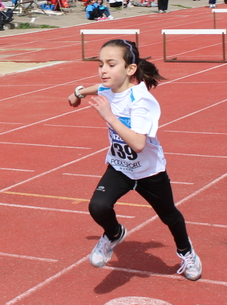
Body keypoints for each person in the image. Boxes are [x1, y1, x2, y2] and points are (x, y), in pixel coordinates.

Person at [68, 39, 202, 281]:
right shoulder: (108, 89)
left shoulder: (142, 100)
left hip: (149, 171)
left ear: (130, 69)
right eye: (100, 65)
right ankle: (114, 233)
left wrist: (110, 117)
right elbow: (97, 89)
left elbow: (139, 144)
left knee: (169, 215)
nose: (103, 71)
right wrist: (77, 92)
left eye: (110, 64)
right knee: (97, 206)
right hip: (120, 167)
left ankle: (186, 251)